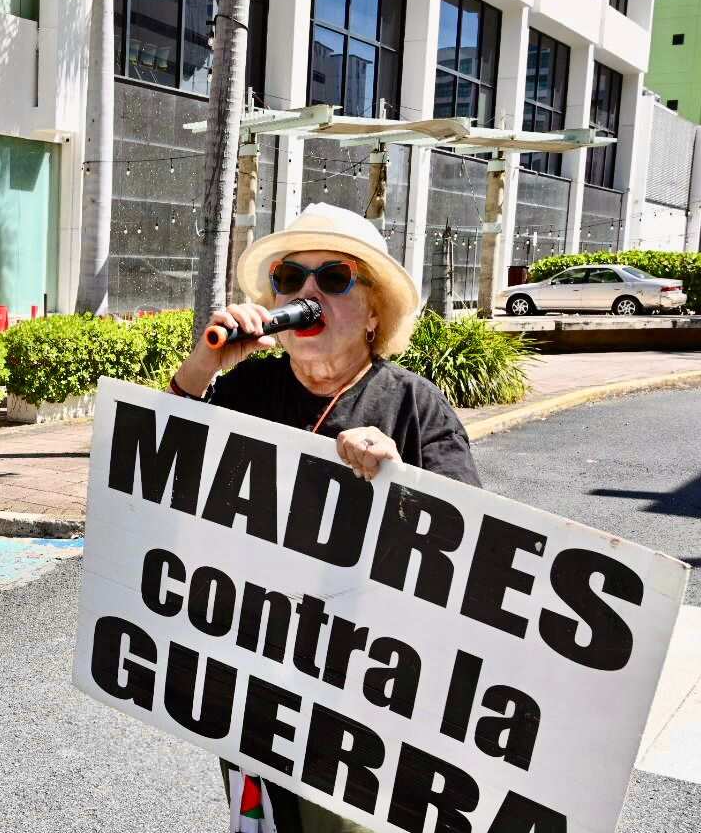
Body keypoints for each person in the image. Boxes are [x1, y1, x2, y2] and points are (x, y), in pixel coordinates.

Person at [168, 202, 478, 833]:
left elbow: (467, 541)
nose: (307, 292)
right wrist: (204, 367)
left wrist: (398, 479)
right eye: (289, 278)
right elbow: (156, 471)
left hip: (364, 689)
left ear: (373, 312)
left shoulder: (414, 404)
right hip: (255, 670)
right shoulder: (246, 391)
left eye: (334, 279)